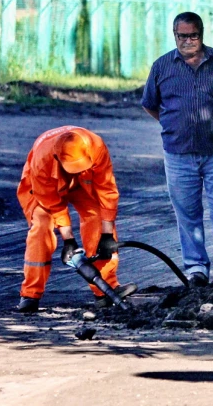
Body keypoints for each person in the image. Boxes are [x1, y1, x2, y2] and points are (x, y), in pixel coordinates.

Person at [141, 11, 213, 286]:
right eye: (182, 36)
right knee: (187, 213)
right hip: (178, 153)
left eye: (193, 36)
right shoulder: (162, 66)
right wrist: (174, 125)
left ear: (202, 35)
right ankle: (196, 268)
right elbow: (150, 104)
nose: (187, 41)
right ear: (174, 35)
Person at [16, 126, 137, 313]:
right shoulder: (42, 161)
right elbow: (53, 204)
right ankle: (30, 295)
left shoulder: (96, 146)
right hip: (46, 184)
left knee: (96, 218)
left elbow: (107, 192)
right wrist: (69, 241)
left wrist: (106, 236)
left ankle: (105, 291)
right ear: (58, 159)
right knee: (41, 226)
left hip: (83, 181)